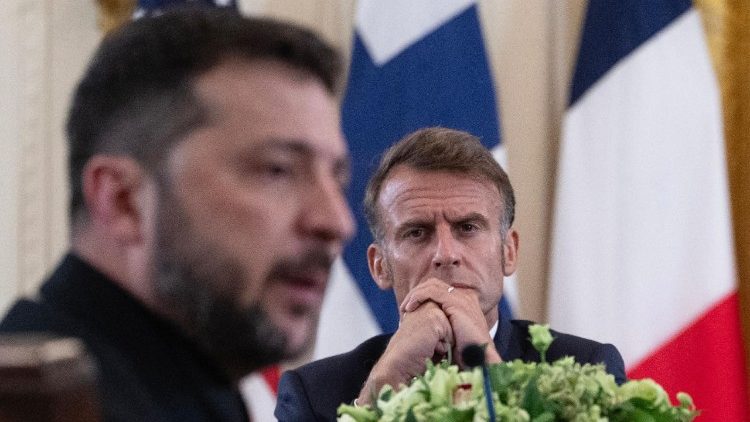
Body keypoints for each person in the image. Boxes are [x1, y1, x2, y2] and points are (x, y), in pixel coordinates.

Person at [0, 8, 354, 422]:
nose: (337, 222)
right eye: (277, 170)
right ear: (123, 201)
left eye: (336, 178)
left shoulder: (189, 387)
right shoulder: (41, 405)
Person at [274, 127, 626, 421]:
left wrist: (494, 376)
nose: (445, 254)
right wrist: (376, 393)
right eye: (417, 232)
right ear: (380, 266)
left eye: (467, 228)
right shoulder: (313, 395)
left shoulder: (587, 370)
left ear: (508, 252)